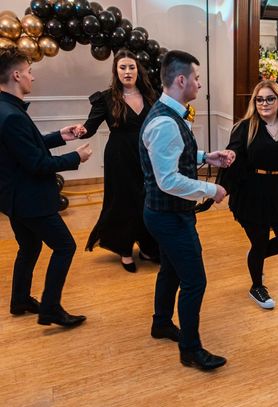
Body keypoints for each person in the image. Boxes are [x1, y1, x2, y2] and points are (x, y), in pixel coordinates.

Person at [140, 50, 235, 368]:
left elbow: (171, 155)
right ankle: (191, 350)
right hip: (169, 216)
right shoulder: (166, 122)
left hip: (164, 213)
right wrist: (212, 190)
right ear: (181, 80)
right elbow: (167, 179)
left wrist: (205, 157)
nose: (199, 83)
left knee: (170, 270)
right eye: (197, 77)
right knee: (195, 281)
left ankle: (161, 323)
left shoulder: (169, 114)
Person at [0, 47, 92, 327]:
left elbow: (26, 146)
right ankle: (50, 308)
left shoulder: (6, 109)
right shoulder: (12, 115)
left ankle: (20, 300)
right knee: (65, 247)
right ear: (16, 76)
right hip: (30, 200)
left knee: (29, 247)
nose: (33, 77)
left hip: (15, 199)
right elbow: (37, 163)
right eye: (29, 72)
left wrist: (60, 136)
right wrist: (76, 157)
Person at [220, 80, 278, 310]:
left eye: (270, 98)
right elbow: (235, 152)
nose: (264, 103)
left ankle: (256, 254)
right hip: (251, 192)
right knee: (259, 241)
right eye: (259, 99)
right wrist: (230, 159)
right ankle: (257, 287)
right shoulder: (245, 127)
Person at [78, 49, 159, 273]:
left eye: (131, 67)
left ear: (138, 70)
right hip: (119, 158)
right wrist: (79, 131)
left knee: (146, 201)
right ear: (116, 71)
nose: (127, 71)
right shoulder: (106, 98)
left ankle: (147, 246)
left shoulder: (151, 95)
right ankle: (125, 251)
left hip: (147, 156)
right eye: (122, 67)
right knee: (122, 203)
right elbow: (89, 127)